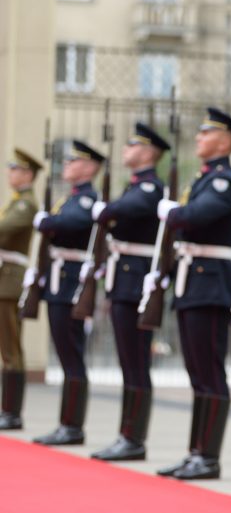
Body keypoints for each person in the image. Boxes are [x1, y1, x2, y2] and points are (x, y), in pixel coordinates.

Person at [154, 107, 231, 480]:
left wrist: (173, 211)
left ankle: (208, 457)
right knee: (196, 372)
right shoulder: (206, 177)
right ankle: (196, 452)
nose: (198, 138)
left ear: (223, 141)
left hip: (210, 284)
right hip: (193, 281)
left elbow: (197, 217)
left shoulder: (223, 181)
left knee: (210, 371)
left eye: (205, 133)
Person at [89, 122, 169, 461]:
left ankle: (134, 439)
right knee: (128, 362)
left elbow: (128, 210)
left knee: (136, 362)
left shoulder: (150, 188)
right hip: (123, 281)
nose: (125, 150)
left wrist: (106, 211)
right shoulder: (135, 186)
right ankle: (127, 434)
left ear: (149, 152)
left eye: (132, 145)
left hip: (136, 282)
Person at [31, 140, 104, 446]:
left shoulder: (87, 199)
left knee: (72, 355)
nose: (68, 165)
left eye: (75, 161)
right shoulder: (71, 197)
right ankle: (66, 423)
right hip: (59, 280)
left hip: (72, 283)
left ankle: (72, 426)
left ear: (89, 167)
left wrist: (48, 222)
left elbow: (76, 223)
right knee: (65, 354)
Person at [0, 149, 42, 430]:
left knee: (11, 348)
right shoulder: (16, 201)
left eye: (16, 168)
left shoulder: (26, 204)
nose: (11, 173)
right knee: (7, 348)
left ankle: (12, 413)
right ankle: (8, 410)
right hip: (5, 278)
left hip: (10, 281)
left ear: (28, 174)